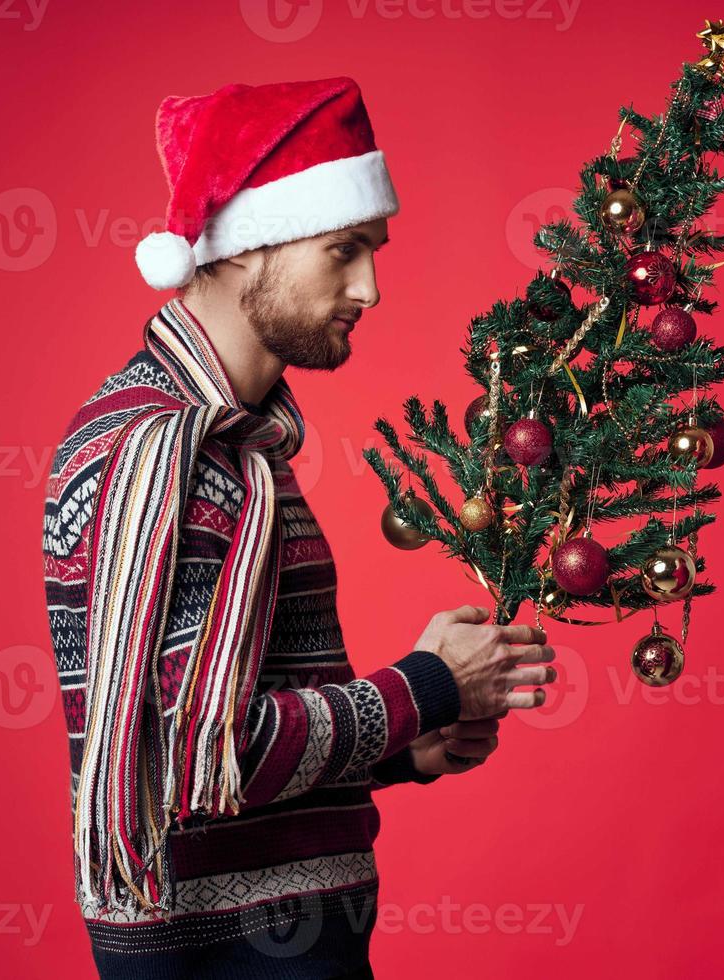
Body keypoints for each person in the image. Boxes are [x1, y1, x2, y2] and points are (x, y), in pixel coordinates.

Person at [41, 77, 556, 979]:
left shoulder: (243, 444)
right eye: (343, 249)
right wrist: (424, 686)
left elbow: (234, 757)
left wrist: (406, 746)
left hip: (285, 938)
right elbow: (196, 759)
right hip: (228, 953)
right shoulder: (163, 450)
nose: (371, 287)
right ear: (244, 250)